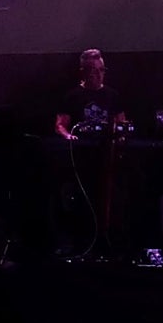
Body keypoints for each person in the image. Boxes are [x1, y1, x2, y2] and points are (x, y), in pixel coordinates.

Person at [51, 48, 132, 259]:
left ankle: (110, 244)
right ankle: (77, 244)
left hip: (107, 160)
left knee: (111, 201)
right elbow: (60, 125)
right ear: (83, 72)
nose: (97, 74)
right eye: (92, 70)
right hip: (81, 162)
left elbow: (121, 123)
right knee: (78, 201)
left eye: (100, 69)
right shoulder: (72, 96)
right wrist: (69, 137)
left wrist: (121, 137)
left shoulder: (113, 95)